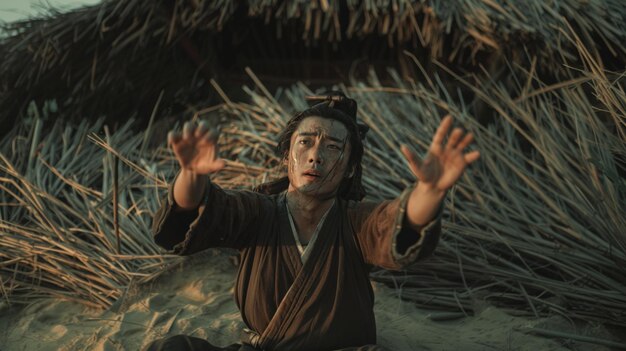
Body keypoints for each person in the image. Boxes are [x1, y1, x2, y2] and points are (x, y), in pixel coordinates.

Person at [147, 93, 480, 351]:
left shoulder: (356, 221)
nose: (315, 155)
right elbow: (208, 210)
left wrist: (429, 191)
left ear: (350, 168)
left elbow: (395, 223)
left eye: (333, 147)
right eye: (305, 141)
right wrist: (190, 175)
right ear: (287, 155)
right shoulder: (259, 212)